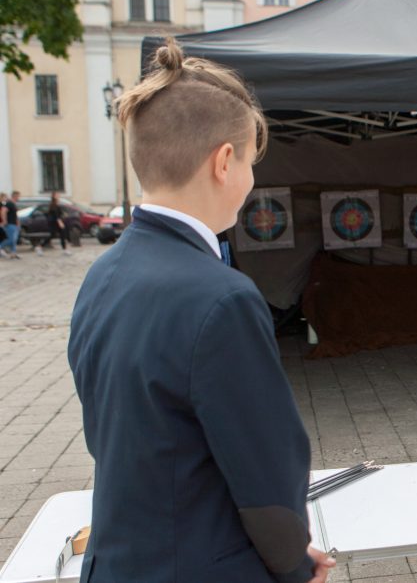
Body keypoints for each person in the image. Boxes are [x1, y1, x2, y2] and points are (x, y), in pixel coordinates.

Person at [68, 37, 335, 583]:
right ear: (224, 162)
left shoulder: (103, 275)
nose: (251, 181)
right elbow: (267, 475)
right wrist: (292, 563)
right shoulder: (223, 297)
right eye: (252, 163)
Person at [47, 190, 71, 255]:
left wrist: (64, 214)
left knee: (62, 235)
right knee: (52, 235)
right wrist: (60, 222)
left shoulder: (57, 204)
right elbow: (56, 215)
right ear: (54, 196)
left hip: (58, 222)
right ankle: (39, 246)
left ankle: (65, 249)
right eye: (57, 195)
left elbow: (59, 213)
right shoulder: (53, 205)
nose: (59, 196)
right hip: (55, 223)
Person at [0, 191, 19, 259]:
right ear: (14, 196)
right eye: (18, 196)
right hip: (10, 224)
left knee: (13, 240)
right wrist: (5, 221)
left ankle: (13, 253)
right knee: (10, 239)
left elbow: (15, 215)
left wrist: (17, 223)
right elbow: (3, 211)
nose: (18, 198)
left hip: (13, 224)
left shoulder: (12, 204)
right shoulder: (9, 203)